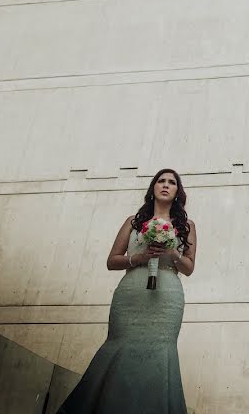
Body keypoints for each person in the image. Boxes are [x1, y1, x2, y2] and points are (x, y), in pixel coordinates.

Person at [59, 168, 197, 414]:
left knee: (161, 351)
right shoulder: (133, 222)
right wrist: (140, 258)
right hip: (131, 295)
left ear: (178, 192)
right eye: (160, 181)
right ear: (153, 188)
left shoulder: (187, 226)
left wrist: (172, 253)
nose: (165, 185)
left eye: (172, 182)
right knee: (119, 345)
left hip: (167, 298)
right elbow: (112, 261)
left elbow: (188, 268)